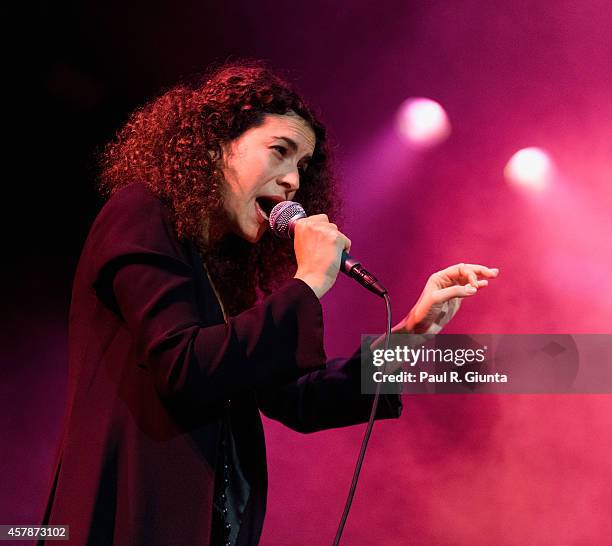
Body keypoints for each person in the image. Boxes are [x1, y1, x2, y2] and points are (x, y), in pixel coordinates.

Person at [39, 61, 499, 545]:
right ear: (214, 144)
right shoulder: (141, 212)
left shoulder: (224, 272)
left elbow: (300, 398)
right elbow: (181, 365)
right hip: (130, 522)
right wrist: (308, 282)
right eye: (280, 152)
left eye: (301, 166)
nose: (293, 183)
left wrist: (410, 334)